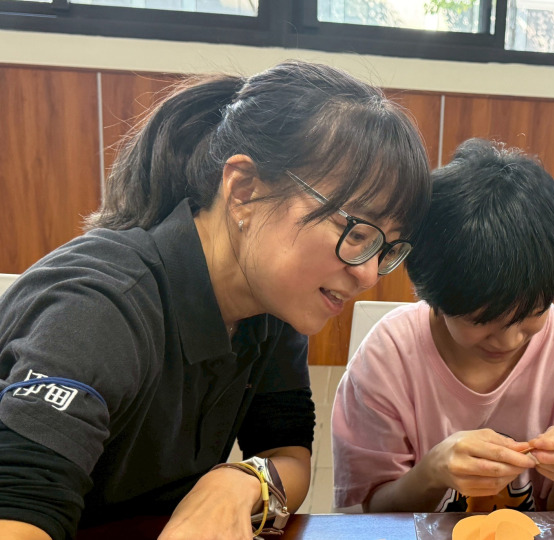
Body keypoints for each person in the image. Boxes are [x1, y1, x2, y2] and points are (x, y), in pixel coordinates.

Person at [0, 60, 431, 540]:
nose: (369, 274)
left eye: (386, 248)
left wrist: (238, 481)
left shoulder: (270, 305)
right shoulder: (100, 310)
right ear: (244, 190)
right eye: (356, 231)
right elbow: (20, 515)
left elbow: (289, 454)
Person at [331, 139, 554, 513]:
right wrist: (432, 473)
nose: (510, 340)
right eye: (483, 321)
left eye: (533, 312)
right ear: (434, 296)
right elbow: (367, 516)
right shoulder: (387, 357)